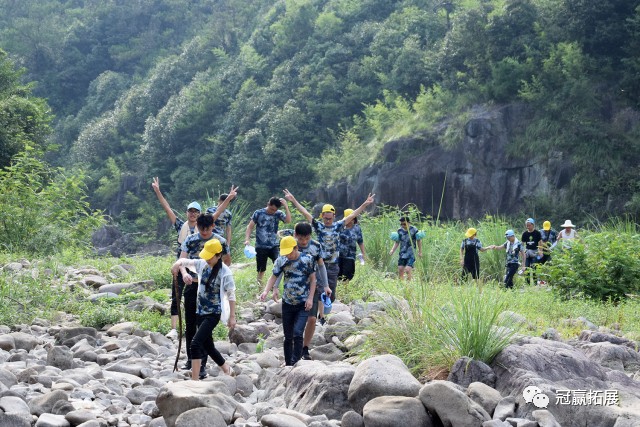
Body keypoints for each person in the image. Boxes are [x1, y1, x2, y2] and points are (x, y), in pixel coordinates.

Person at [178, 186, 237, 378]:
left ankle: (200, 367)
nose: (203, 232)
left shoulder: (219, 242)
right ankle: (194, 359)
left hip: (212, 290)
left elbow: (226, 262)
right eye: (200, 229)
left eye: (207, 229)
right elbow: (182, 260)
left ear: (212, 227)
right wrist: (183, 272)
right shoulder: (191, 240)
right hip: (192, 284)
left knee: (202, 333)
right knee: (192, 324)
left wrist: (218, 276)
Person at [283, 189, 376, 302]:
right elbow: (305, 212)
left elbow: (353, 214)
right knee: (320, 289)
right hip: (320, 263)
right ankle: (319, 314)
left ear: (334, 216)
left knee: (331, 292)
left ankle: (326, 312)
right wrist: (293, 200)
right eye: (326, 218)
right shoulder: (319, 226)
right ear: (322, 216)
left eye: (330, 218)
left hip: (333, 265)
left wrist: (365, 204)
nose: (328, 221)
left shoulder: (338, 226)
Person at [171, 238, 235, 380]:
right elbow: (184, 261)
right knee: (209, 346)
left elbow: (231, 295)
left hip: (213, 314)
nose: (207, 259)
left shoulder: (225, 272)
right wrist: (176, 265)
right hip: (200, 312)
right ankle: (227, 369)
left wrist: (232, 317)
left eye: (210, 256)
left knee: (195, 343)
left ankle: (194, 380)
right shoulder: (202, 264)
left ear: (219, 255)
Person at [152, 177, 201, 339]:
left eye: (195, 212)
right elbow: (167, 209)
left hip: (196, 268)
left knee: (194, 299)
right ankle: (174, 329)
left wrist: (228, 199)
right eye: (190, 211)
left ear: (199, 214)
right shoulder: (181, 225)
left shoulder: (204, 228)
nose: (193, 214)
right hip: (180, 266)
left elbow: (217, 214)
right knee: (176, 297)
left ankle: (192, 329)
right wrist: (158, 191)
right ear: (187, 213)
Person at [259, 236, 317, 366]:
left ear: (296, 248)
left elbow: (313, 280)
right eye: (285, 253)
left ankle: (296, 362)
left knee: (297, 333)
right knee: (288, 336)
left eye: (290, 252)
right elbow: (273, 277)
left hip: (303, 303)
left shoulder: (307, 260)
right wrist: (265, 291)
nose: (288, 255)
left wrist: (310, 298)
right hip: (287, 303)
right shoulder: (281, 260)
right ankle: (288, 364)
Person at [244, 197, 292, 284]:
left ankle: (274, 287)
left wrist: (286, 206)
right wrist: (247, 239)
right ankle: (260, 290)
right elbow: (250, 227)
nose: (272, 211)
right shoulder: (258, 213)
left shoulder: (278, 214)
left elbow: (288, 221)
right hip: (261, 245)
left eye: (274, 210)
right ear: (268, 204)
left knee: (280, 265)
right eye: (271, 209)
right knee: (261, 270)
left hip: (274, 245)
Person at [338, 208, 366, 286]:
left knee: (347, 274)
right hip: (339, 255)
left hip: (350, 256)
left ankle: (344, 290)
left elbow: (360, 241)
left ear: (354, 219)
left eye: (351, 219)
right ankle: (338, 291)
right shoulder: (340, 227)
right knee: (338, 274)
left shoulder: (357, 229)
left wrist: (364, 253)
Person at [389, 216, 423, 281]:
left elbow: (419, 240)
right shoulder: (399, 231)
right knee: (400, 269)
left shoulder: (414, 230)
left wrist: (420, 251)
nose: (403, 225)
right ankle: (401, 285)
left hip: (411, 253)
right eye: (401, 224)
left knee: (407, 269)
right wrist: (392, 250)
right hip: (402, 253)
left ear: (409, 222)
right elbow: (397, 242)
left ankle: (408, 285)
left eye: (404, 224)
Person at [206, 193, 233, 266]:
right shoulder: (210, 210)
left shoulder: (228, 214)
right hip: (209, 237)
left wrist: (228, 243)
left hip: (220, 238)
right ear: (219, 200)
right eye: (222, 201)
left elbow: (228, 229)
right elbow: (205, 223)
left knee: (219, 260)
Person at [521, 218, 542, 285]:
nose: (528, 227)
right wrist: (521, 252)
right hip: (527, 252)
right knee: (526, 268)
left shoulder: (537, 233)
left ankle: (535, 283)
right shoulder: (524, 234)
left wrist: (540, 251)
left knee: (534, 268)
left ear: (533, 225)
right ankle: (527, 283)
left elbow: (540, 243)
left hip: (535, 252)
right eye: (527, 225)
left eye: (529, 225)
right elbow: (522, 244)